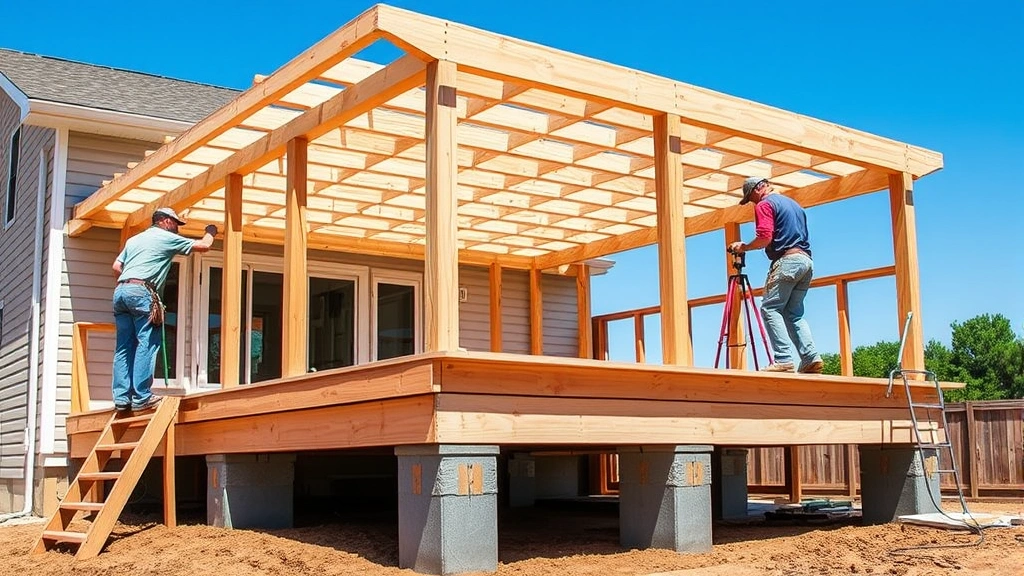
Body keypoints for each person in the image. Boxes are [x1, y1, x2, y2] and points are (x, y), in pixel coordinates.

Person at [111, 208, 217, 411]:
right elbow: (204, 246)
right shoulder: (165, 237)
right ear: (166, 221)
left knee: (124, 346)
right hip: (142, 291)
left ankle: (122, 399)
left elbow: (116, 267)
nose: (178, 229)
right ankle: (141, 397)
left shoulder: (134, 240)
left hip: (121, 291)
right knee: (147, 343)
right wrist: (211, 231)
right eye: (176, 224)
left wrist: (131, 282)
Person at [728, 177, 823, 374]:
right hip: (805, 261)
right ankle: (810, 357)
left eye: (751, 198)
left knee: (770, 308)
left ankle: (783, 359)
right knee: (793, 313)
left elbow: (765, 237)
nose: (753, 203)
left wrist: (744, 247)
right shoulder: (794, 205)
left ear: (757, 189)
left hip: (788, 261)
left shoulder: (764, 204)